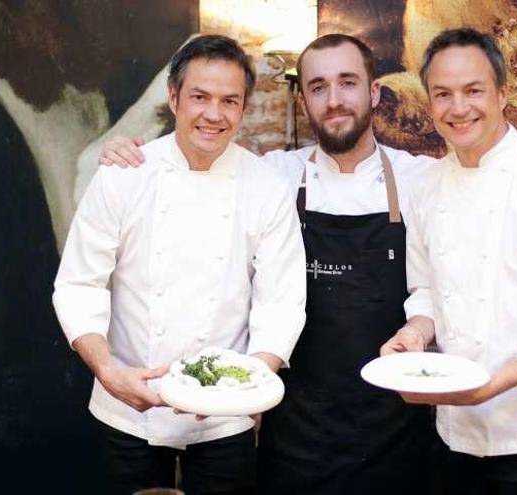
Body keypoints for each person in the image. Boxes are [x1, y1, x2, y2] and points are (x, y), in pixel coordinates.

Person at [99, 34, 517, 495]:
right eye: (318, 87)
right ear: (303, 100)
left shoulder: (424, 179)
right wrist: (127, 154)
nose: (334, 100)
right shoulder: (272, 178)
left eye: (348, 83)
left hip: (397, 431)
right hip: (297, 436)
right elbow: (200, 175)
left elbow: (482, 193)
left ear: (374, 93)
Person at [52, 35, 306, 495]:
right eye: (199, 97)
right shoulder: (124, 174)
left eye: (229, 101)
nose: (214, 114)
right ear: (173, 98)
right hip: (126, 404)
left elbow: (282, 302)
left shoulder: (266, 187)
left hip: (224, 415)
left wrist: (246, 385)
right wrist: (108, 371)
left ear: (244, 108)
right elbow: (79, 285)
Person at [380, 28, 517, 495]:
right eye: (443, 94)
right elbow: (426, 291)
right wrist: (414, 333)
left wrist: (487, 388)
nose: (458, 108)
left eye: (473, 90)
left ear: (502, 94)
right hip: (454, 435)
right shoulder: (427, 188)